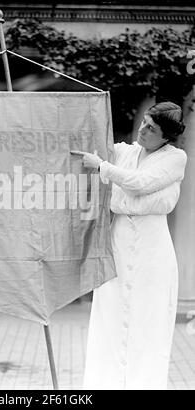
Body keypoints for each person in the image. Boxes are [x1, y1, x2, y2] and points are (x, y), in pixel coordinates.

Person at [72, 101, 187, 390]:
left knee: (149, 323)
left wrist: (104, 168)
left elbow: (140, 183)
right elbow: (92, 147)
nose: (143, 130)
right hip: (119, 240)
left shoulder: (176, 158)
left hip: (153, 247)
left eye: (152, 128)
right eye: (144, 122)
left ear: (166, 137)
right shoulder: (124, 152)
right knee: (110, 318)